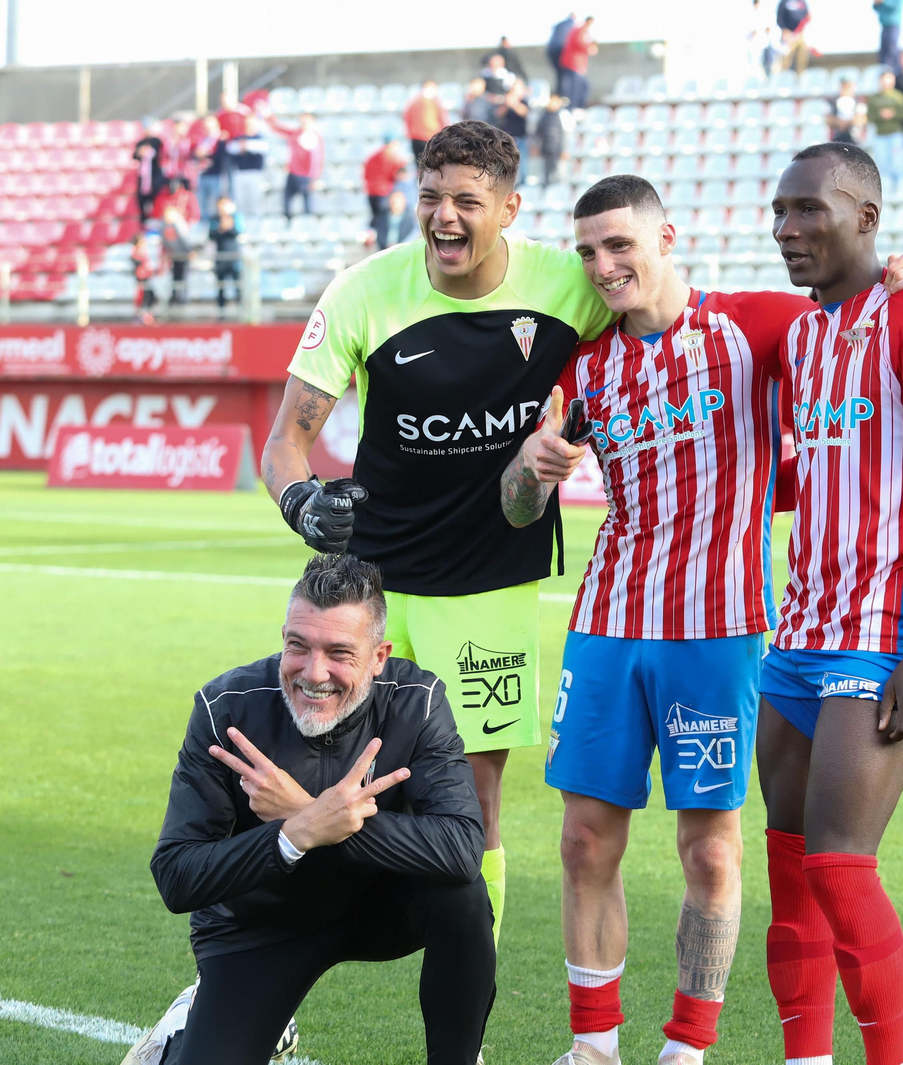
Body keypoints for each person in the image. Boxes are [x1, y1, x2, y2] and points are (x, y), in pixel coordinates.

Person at [498, 173, 903, 1065]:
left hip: (722, 629)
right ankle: (593, 1047)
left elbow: (854, 315)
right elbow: (516, 509)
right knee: (585, 838)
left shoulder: (754, 325)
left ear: (668, 239)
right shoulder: (580, 364)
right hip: (609, 623)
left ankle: (687, 1045)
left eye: (620, 245)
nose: (603, 266)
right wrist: (529, 467)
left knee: (710, 851)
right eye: (588, 252)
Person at [262, 121, 615, 959]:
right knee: (315, 786)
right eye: (430, 198)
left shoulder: (571, 285)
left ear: (509, 208)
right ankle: (270, 985)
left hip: (491, 579)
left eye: (467, 201)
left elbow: (676, 312)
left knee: (473, 802)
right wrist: (302, 504)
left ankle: (468, 1010)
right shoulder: (364, 289)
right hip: (372, 586)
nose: (444, 218)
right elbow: (283, 444)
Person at [761, 141, 903, 1065]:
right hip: (797, 635)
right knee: (790, 877)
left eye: (810, 209)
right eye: (780, 211)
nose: (789, 228)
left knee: (842, 869)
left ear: (866, 217)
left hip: (878, 642)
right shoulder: (804, 333)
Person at [125, 553, 495, 1065]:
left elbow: (460, 849)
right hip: (259, 923)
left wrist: (308, 813)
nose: (313, 672)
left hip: (380, 905)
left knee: (464, 900)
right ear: (283, 637)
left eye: (339, 652)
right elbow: (176, 875)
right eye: (298, 646)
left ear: (379, 655)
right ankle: (198, 1019)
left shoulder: (416, 700)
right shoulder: (226, 707)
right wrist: (293, 834)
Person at [267, 112, 325, 219]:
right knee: (286, 200)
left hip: (306, 176)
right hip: (293, 173)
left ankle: (308, 225)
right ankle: (287, 222)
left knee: (307, 204)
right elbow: (279, 129)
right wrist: (269, 117)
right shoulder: (295, 133)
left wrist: (314, 178)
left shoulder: (315, 137)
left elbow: (317, 160)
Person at [865, 70, 903, 185]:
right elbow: (870, 116)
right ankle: (886, 189)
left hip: (896, 134)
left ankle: (900, 187)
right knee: (882, 164)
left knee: (897, 163)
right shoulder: (874, 98)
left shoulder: (898, 96)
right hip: (880, 135)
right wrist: (881, 115)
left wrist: (892, 114)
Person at [363, 139, 411, 244]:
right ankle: (381, 239)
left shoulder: (373, 157)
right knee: (383, 218)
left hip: (371, 192)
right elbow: (398, 169)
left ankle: (370, 235)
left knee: (376, 217)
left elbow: (365, 173)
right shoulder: (389, 156)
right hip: (383, 192)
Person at [228, 118, 269, 222]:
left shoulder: (259, 137)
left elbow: (263, 148)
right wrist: (241, 146)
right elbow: (231, 148)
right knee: (240, 201)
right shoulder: (239, 138)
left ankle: (256, 222)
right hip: (240, 172)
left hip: (255, 173)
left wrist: (247, 146)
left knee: (254, 200)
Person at [192, 116, 227, 225]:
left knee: (215, 202)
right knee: (202, 202)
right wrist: (198, 155)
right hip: (203, 175)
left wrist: (206, 154)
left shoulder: (219, 139)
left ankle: (215, 224)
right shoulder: (202, 140)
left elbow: (220, 156)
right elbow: (195, 155)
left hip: (215, 175)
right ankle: (204, 223)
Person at [210, 197, 243, 312]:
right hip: (220, 258)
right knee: (220, 288)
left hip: (234, 258)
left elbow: (238, 231)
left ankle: (242, 311)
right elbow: (211, 234)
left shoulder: (235, 217)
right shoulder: (215, 219)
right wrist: (221, 228)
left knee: (238, 286)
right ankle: (221, 313)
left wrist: (228, 226)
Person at [406, 81, 450, 164]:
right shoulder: (433, 102)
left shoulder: (414, 102)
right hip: (427, 138)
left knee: (423, 167)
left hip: (422, 138)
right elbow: (443, 121)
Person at [560, 16, 598, 109]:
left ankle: (575, 108)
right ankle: (574, 109)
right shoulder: (581, 30)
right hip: (574, 65)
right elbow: (579, 42)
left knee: (580, 87)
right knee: (577, 89)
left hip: (576, 65)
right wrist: (589, 48)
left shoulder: (581, 30)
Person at [159, 204, 194, 306]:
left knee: (183, 276)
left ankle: (183, 298)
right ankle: (175, 297)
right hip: (174, 255)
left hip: (183, 255)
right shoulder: (164, 226)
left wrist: (189, 251)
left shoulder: (179, 224)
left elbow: (185, 240)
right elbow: (165, 241)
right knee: (175, 276)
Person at [133, 124, 166, 225]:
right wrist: (140, 152)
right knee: (142, 202)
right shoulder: (140, 143)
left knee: (156, 202)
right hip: (144, 180)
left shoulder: (157, 141)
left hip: (154, 178)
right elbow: (135, 155)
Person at [496, 80, 533, 171]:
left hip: (520, 136)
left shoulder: (524, 101)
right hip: (507, 135)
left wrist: (514, 103)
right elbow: (498, 114)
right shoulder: (506, 102)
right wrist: (507, 103)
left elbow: (524, 112)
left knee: (522, 161)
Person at [535, 95, 571, 186]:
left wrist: (565, 149)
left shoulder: (563, 114)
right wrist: (537, 147)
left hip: (558, 150)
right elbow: (539, 133)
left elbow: (566, 135)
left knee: (560, 175)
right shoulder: (543, 115)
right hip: (546, 150)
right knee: (546, 176)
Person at [132, 231, 161, 324]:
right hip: (142, 279)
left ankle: (148, 318)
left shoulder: (142, 252)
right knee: (144, 299)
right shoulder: (136, 252)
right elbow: (139, 266)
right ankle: (142, 319)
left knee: (151, 298)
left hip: (147, 278)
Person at [776, 0, 812, 73]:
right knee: (786, 60)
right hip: (788, 34)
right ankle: (783, 78)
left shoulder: (802, 2)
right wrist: (785, 31)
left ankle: (800, 78)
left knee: (802, 59)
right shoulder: (784, 2)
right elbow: (779, 19)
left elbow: (807, 16)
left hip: (800, 34)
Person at [826, 78, 864, 144]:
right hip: (837, 136)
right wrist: (839, 122)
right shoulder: (833, 102)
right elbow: (828, 119)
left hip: (853, 137)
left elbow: (862, 119)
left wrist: (848, 122)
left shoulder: (858, 102)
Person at [873, 0, 903, 73]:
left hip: (893, 26)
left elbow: (895, 6)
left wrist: (883, 2)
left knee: (892, 51)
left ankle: (895, 72)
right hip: (884, 27)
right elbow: (876, 8)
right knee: (883, 54)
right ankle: (884, 73)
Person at [549, 11, 578, 79]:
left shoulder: (560, 24)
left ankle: (560, 88)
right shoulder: (572, 25)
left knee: (559, 72)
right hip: (560, 49)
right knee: (564, 73)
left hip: (550, 48)